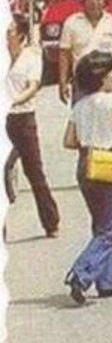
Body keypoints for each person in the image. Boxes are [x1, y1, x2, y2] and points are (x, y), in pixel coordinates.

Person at [62, 51, 112, 304]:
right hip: (107, 162)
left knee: (101, 224)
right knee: (109, 229)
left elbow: (69, 141)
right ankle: (81, 274)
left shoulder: (80, 105)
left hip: (85, 163)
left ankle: (107, 282)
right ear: (103, 78)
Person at [6, 13, 60, 238]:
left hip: (23, 119)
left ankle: (51, 222)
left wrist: (14, 99)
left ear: (20, 34)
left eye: (9, 29)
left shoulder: (31, 57)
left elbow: (33, 86)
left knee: (34, 171)